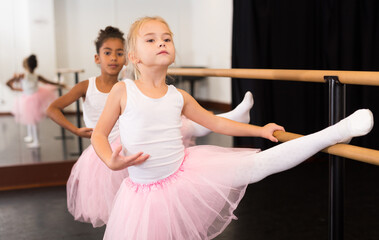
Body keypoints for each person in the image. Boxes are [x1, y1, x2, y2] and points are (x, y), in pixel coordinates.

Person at [91, 16, 374, 240]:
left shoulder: (179, 96)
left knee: (259, 165)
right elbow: (99, 134)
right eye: (150, 39)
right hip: (143, 195)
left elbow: (215, 122)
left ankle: (337, 130)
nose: (161, 43)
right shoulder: (123, 90)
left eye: (166, 38)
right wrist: (110, 160)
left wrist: (261, 131)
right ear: (134, 56)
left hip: (184, 173)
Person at [46, 26, 255, 228]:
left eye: (119, 53)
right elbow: (54, 109)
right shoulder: (88, 86)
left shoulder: (129, 85)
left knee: (176, 126)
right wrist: (74, 130)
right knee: (126, 205)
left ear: (127, 58)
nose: (113, 58)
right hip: (112, 150)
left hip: (135, 143)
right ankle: (228, 117)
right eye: (108, 53)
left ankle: (232, 116)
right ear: (97, 58)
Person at [6, 54, 63, 148]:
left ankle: (36, 142)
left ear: (25, 65)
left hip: (30, 99)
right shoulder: (36, 75)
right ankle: (30, 136)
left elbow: (8, 83)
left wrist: (14, 88)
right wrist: (60, 84)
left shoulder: (23, 75)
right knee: (30, 118)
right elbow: (49, 82)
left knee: (32, 120)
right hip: (32, 97)